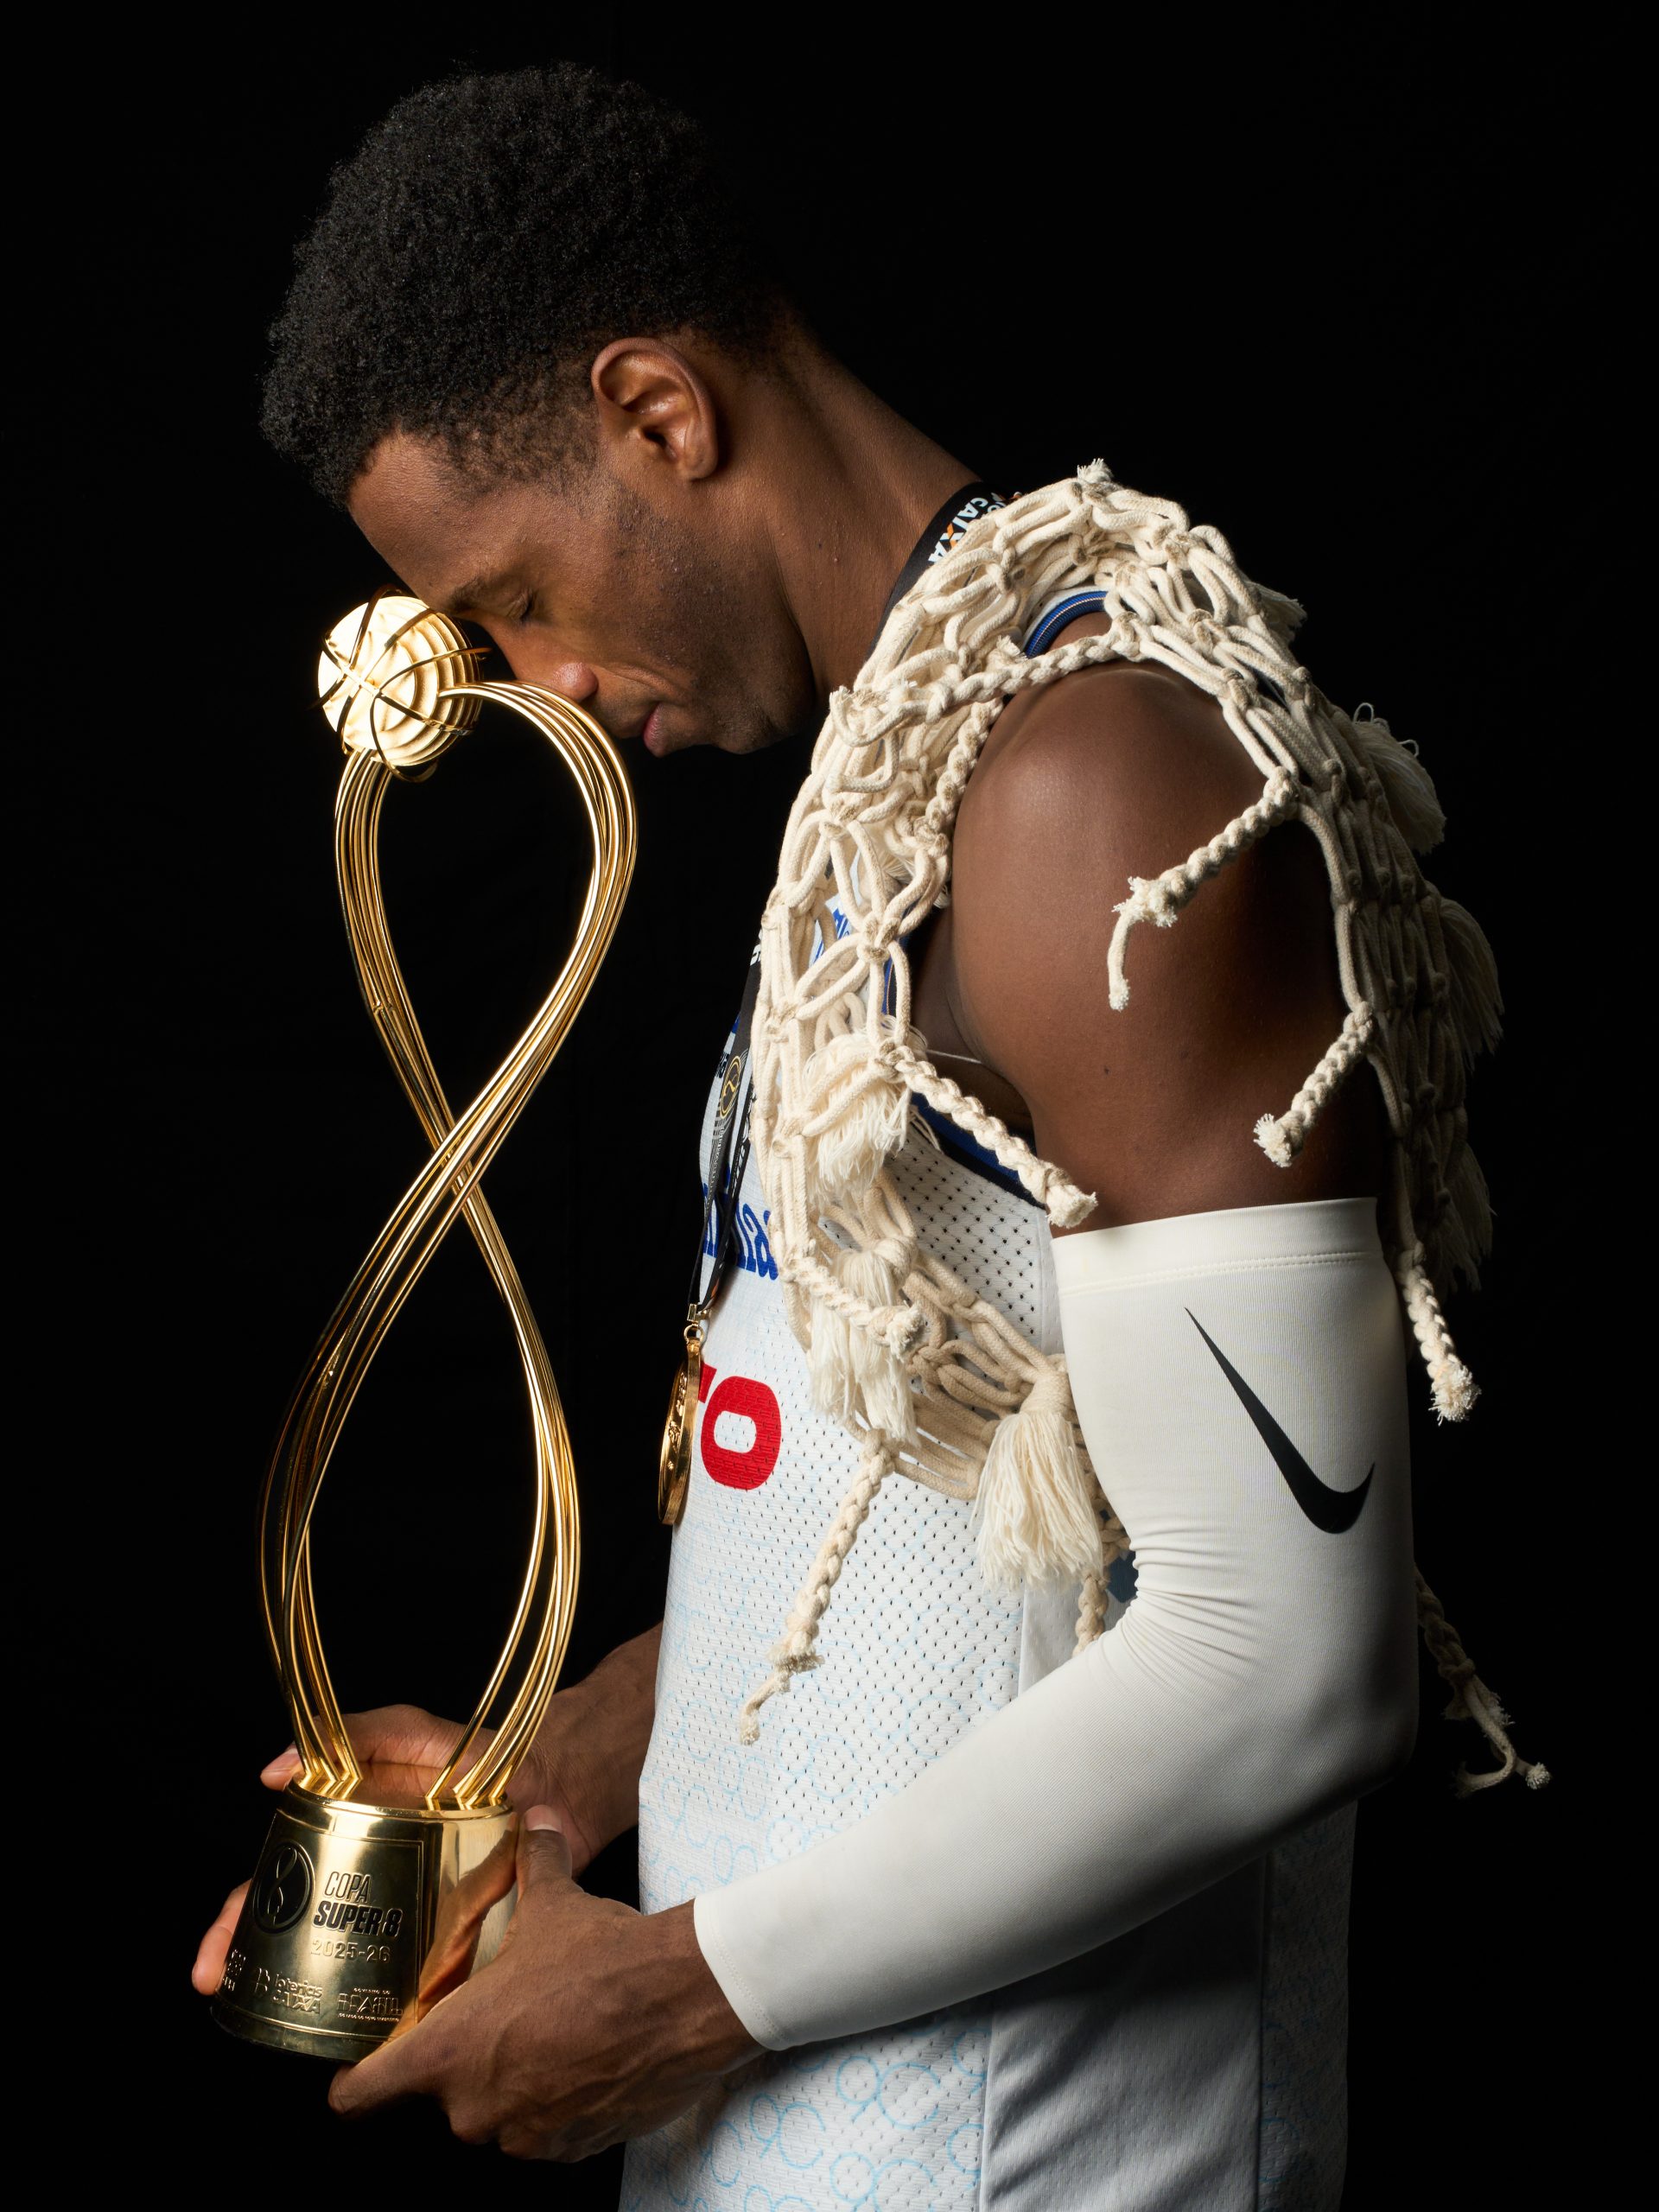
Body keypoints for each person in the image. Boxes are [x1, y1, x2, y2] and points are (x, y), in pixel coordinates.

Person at [192, 63, 1542, 2207]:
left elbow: (1286, 1660)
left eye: (521, 592)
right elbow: (924, 1521)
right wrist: (570, 1768)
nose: (534, 681)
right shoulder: (894, 785)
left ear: (659, 411)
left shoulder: (1096, 772)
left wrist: (667, 1995)